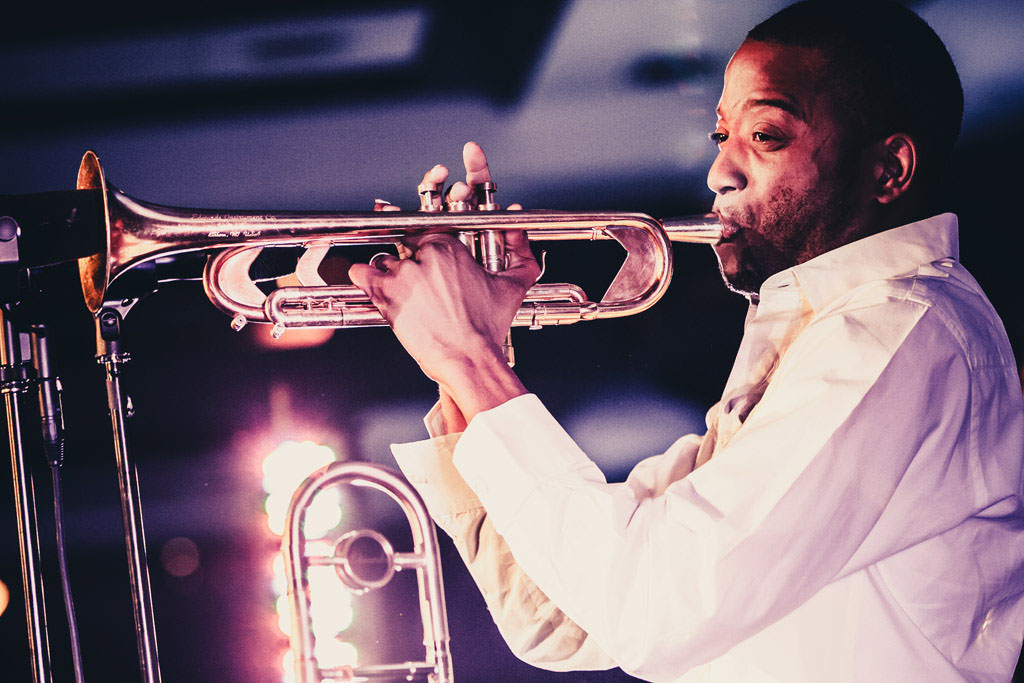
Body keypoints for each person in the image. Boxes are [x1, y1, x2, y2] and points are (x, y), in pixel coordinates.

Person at [349, 1, 1024, 680]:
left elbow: (650, 607)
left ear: (888, 170)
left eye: (764, 135)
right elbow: (554, 617)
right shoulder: (832, 332)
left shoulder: (897, 334)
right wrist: (469, 356)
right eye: (720, 135)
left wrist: (470, 356)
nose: (719, 174)